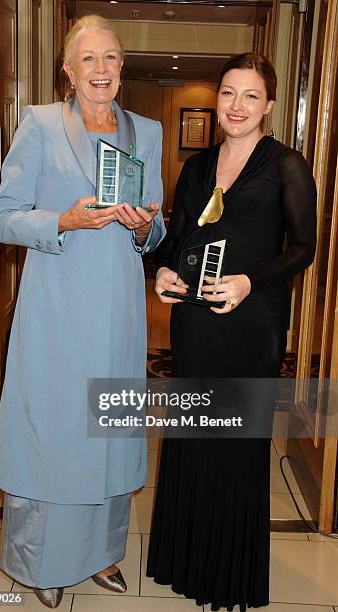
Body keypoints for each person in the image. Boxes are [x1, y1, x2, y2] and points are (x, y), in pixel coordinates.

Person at [0, 14, 165, 609]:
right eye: (88, 59)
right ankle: (42, 562)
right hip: (56, 310)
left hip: (118, 311)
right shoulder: (39, 124)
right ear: (67, 70)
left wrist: (148, 226)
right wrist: (64, 218)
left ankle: (102, 553)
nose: (101, 69)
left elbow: (156, 228)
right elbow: (4, 217)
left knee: (108, 432)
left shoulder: (147, 130)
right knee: (54, 431)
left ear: (123, 68)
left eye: (111, 58)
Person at [146, 53, 316, 611]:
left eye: (249, 95)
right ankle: (184, 561)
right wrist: (163, 271)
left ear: (269, 104)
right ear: (216, 100)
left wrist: (248, 281)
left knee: (236, 445)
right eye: (227, 93)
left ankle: (229, 575)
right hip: (195, 322)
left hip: (251, 322)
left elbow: (302, 249)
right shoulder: (196, 167)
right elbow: (175, 242)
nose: (236, 105)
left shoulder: (286, 164)